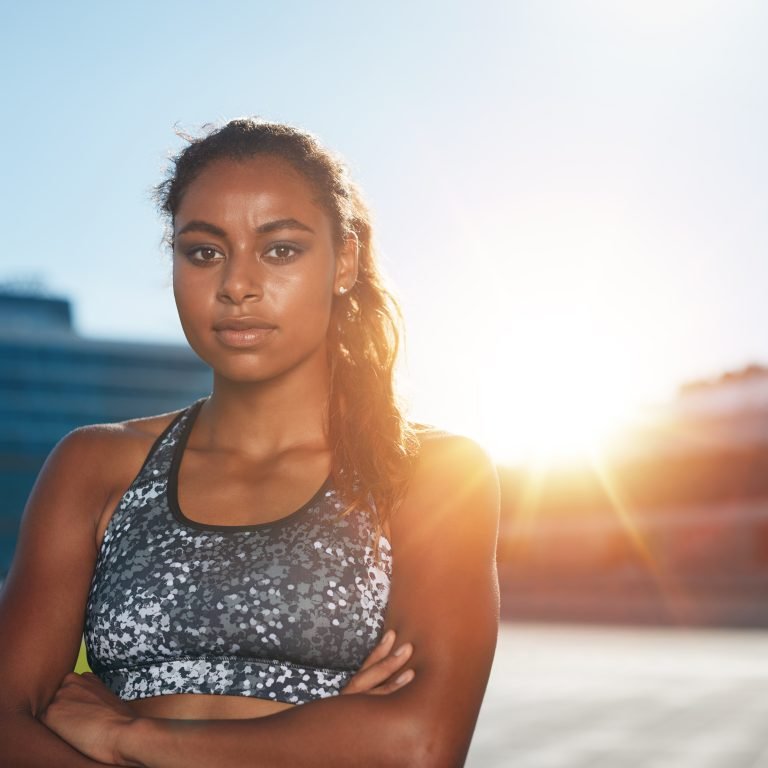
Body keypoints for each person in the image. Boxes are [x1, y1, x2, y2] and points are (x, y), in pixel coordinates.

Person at [0, 118, 500, 767]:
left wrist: (132, 737)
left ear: (344, 261)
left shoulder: (430, 471)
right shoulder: (95, 465)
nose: (237, 285)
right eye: (204, 252)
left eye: (280, 249)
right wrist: (325, 732)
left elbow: (418, 744)